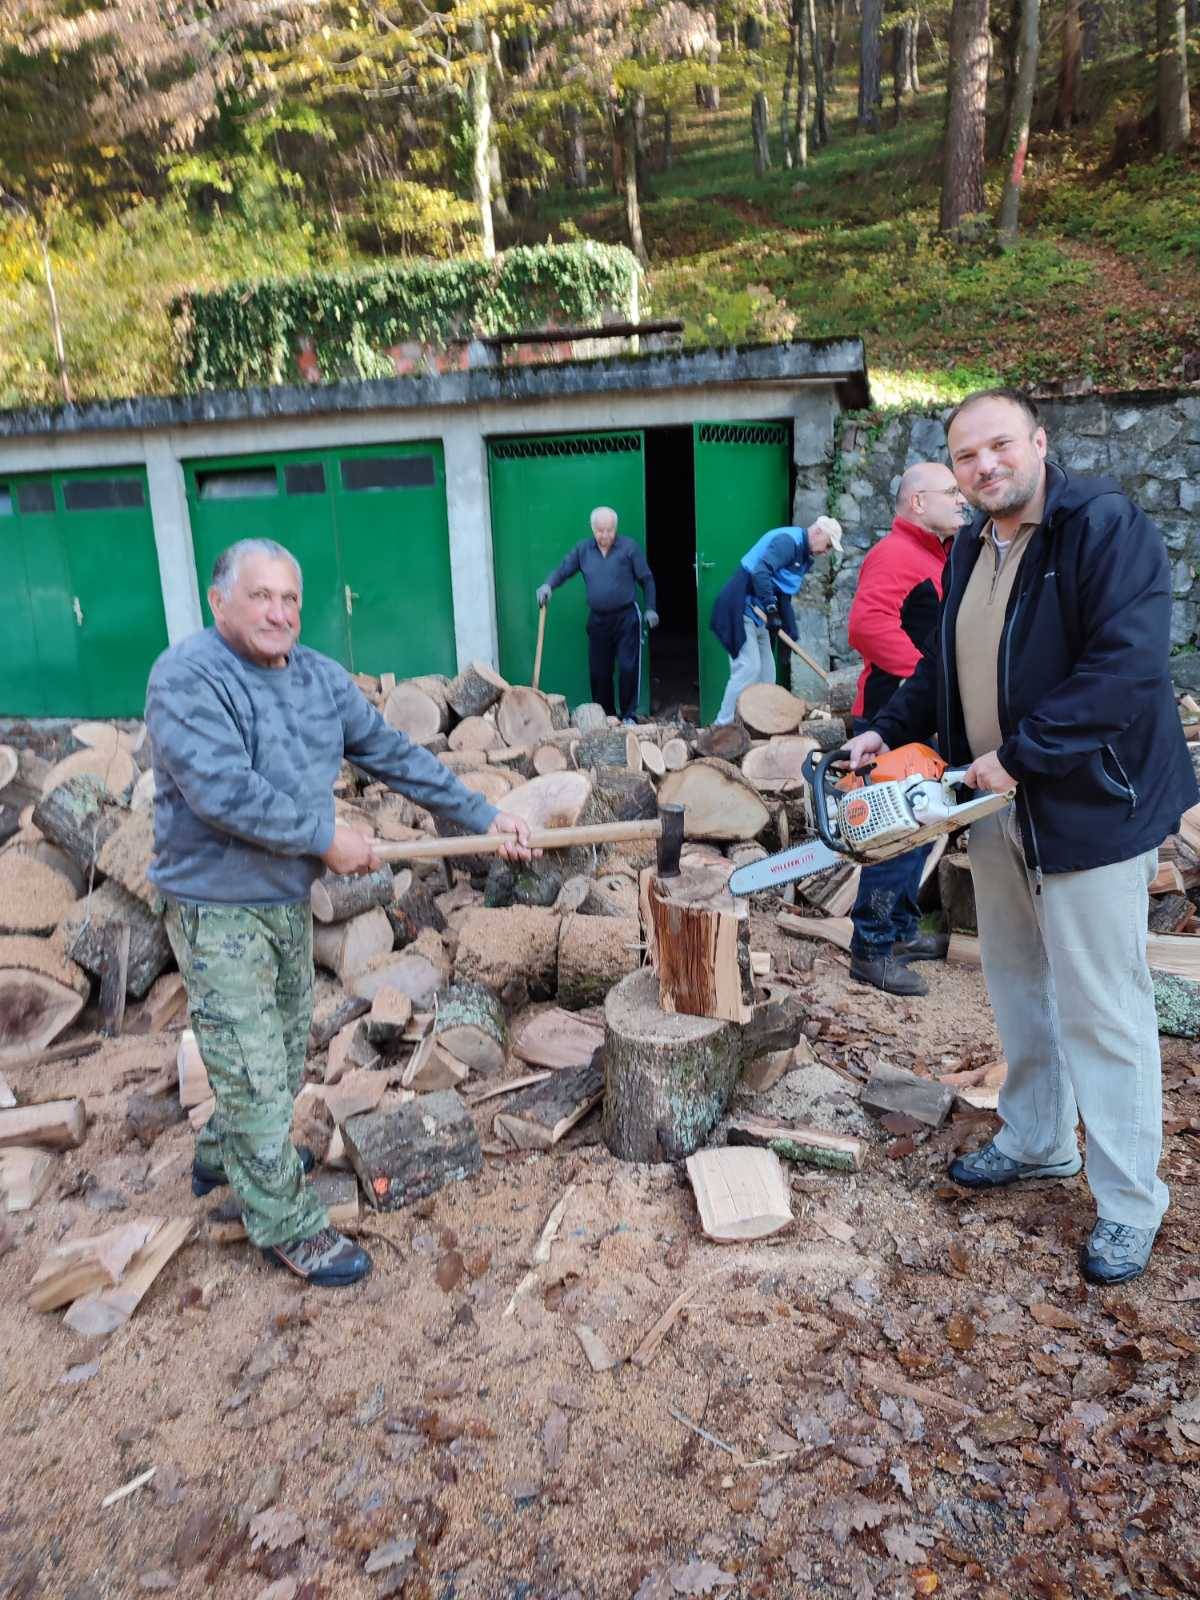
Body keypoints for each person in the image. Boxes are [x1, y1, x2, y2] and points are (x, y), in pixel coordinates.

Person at [846, 390, 1197, 1286]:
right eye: (966, 456)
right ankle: (1040, 1138)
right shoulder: (971, 541)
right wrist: (889, 727)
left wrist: (1022, 756)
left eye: (999, 445)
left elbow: (1124, 667)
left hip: (1088, 805)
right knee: (1016, 980)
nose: (984, 465)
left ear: (1039, 443)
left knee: (1103, 1005)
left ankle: (1128, 1202)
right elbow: (943, 667)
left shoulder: (1101, 528)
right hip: (995, 807)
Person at [145, 538, 534, 1289]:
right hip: (214, 906)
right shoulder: (188, 677)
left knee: (284, 1046)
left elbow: (395, 754)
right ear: (216, 600)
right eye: (260, 596)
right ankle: (284, 1225)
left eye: (289, 598)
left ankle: (226, 1150)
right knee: (254, 1062)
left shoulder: (318, 678)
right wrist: (327, 839)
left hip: (281, 896)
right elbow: (221, 790)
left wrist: (487, 812)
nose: (278, 612)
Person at [845, 463, 969, 996]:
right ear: (918, 502)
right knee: (893, 837)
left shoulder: (936, 556)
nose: (962, 500)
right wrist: (930, 675)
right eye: (951, 492)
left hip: (912, 718)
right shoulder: (896, 554)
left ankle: (897, 932)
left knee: (917, 831)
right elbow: (867, 626)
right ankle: (871, 949)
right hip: (889, 717)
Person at [709, 516, 842, 726]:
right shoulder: (788, 542)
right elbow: (760, 572)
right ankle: (722, 724)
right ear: (817, 533)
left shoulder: (804, 555)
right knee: (748, 667)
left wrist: (790, 631)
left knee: (767, 675)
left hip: (759, 615)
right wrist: (771, 609)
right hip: (741, 607)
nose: (825, 552)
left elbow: (783, 593)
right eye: (827, 545)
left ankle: (759, 725)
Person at [536, 507, 658, 724]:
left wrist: (650, 607)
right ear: (593, 529)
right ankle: (607, 717)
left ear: (615, 528)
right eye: (600, 530)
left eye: (609, 530)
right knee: (600, 672)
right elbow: (564, 570)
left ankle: (628, 715)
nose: (605, 535)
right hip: (598, 620)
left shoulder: (628, 547)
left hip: (626, 618)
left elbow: (647, 579)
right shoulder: (583, 550)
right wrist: (548, 585)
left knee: (629, 668)